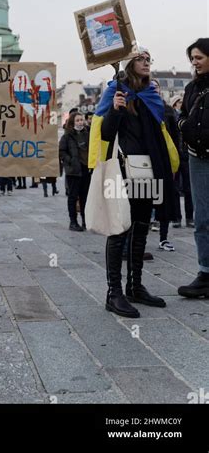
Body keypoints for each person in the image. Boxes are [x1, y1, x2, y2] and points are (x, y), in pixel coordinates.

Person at [89, 48, 179, 317]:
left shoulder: (151, 94)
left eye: (149, 58)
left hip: (147, 168)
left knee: (141, 226)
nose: (147, 61)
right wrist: (116, 111)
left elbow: (164, 128)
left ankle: (135, 286)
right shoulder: (115, 92)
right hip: (121, 170)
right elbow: (104, 132)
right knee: (119, 228)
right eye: (140, 58)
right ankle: (113, 293)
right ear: (129, 64)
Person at [177, 38, 209, 298]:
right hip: (197, 158)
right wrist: (182, 125)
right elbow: (182, 115)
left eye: (199, 57)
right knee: (202, 218)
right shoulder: (191, 88)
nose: (195, 62)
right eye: (192, 58)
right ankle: (205, 272)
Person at [151, 79, 177, 251]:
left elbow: (175, 135)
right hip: (147, 159)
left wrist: (177, 158)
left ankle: (164, 237)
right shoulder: (140, 106)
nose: (154, 90)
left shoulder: (167, 110)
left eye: (156, 87)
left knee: (165, 198)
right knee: (145, 197)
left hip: (165, 158)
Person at [59, 112, 90, 231]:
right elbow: (61, 151)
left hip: (86, 170)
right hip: (73, 170)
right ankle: (73, 222)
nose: (80, 122)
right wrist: (70, 160)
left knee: (85, 197)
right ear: (72, 122)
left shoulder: (87, 134)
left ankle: (85, 221)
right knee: (72, 197)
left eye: (81, 120)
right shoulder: (67, 136)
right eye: (77, 120)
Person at [170, 95, 194, 228]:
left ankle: (189, 217)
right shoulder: (171, 115)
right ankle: (177, 218)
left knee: (188, 188)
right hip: (175, 154)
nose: (180, 104)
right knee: (175, 189)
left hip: (185, 155)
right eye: (178, 102)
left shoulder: (187, 116)